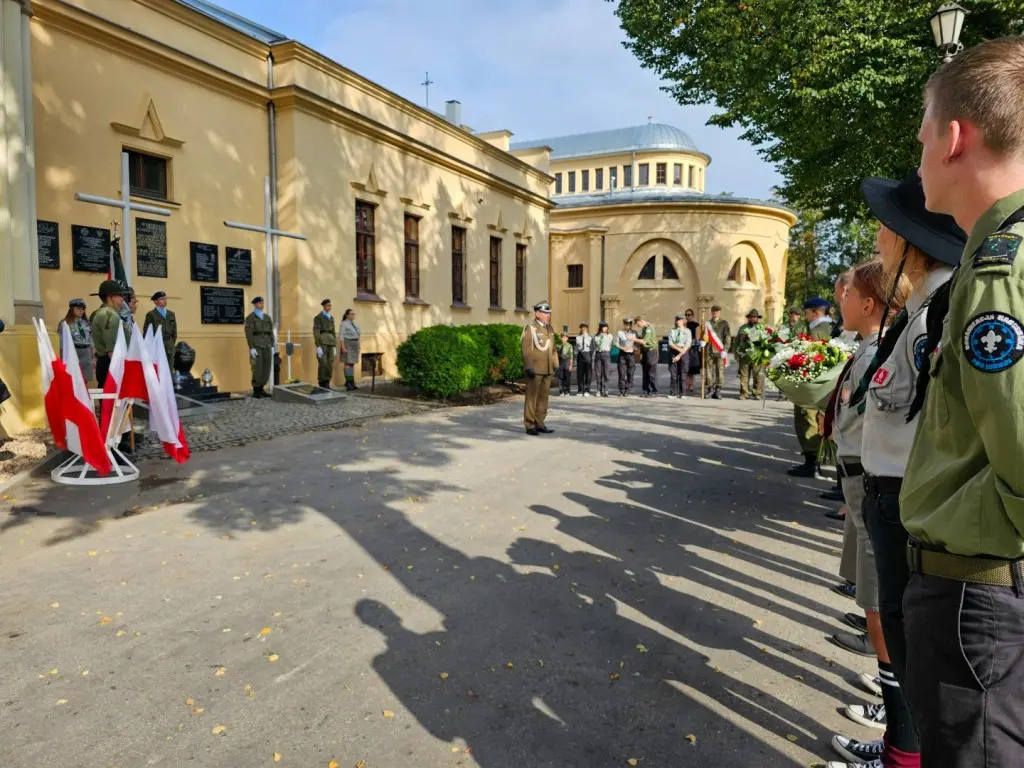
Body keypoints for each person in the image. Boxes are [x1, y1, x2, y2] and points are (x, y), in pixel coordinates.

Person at [898, 38, 1024, 768]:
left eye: (921, 141)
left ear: (954, 138)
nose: (917, 164)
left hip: (980, 598)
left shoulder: (1000, 270)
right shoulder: (992, 254)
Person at [825, 173, 966, 768]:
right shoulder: (917, 312)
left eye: (887, 230)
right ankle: (901, 749)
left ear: (912, 241)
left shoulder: (938, 311)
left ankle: (902, 753)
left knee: (917, 652)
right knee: (908, 651)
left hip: (907, 502)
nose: (879, 242)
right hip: (889, 497)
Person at [825, 260, 913, 768]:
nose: (841, 298)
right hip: (864, 478)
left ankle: (899, 736)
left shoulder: (892, 343)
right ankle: (895, 721)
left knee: (884, 606)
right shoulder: (872, 345)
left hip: (878, 483)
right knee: (876, 602)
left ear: (869, 303)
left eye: (848, 293)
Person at [786, 297, 833, 477]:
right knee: (813, 420)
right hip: (821, 385)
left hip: (811, 384)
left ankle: (812, 464)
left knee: (808, 420)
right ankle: (813, 462)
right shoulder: (827, 328)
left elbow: (810, 360)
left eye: (807, 313)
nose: (805, 317)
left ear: (816, 312)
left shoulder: (817, 332)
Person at [521, 301, 558, 435]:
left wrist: (556, 365)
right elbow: (526, 349)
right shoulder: (530, 328)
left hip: (547, 368)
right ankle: (529, 424)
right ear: (537, 313)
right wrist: (529, 366)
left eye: (548, 313)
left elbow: (553, 349)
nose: (548, 316)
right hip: (535, 369)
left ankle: (540, 422)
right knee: (532, 397)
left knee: (543, 397)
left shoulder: (550, 329)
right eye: (545, 313)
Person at [90, 280, 126, 388]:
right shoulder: (108, 315)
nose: (122, 299)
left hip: (111, 362)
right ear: (110, 297)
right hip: (111, 362)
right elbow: (111, 346)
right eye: (120, 295)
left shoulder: (111, 314)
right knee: (110, 398)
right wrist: (118, 368)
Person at [244, 296, 274, 398]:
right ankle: (256, 390)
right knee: (257, 367)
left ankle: (262, 388)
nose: (262, 305)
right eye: (260, 303)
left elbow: (271, 333)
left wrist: (272, 345)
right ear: (255, 304)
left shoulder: (267, 317)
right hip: (257, 345)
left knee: (267, 366)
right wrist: (251, 347)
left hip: (267, 344)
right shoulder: (250, 318)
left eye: (263, 303)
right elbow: (249, 334)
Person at [60, 298, 94, 383]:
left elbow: (91, 340)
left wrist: (93, 357)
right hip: (74, 352)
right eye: (78, 308)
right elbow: (62, 343)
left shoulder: (86, 323)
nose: (81, 311)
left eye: (83, 309)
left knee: (85, 379)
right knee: (73, 379)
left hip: (86, 352)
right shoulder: (65, 323)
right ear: (72, 309)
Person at [734, 308, 765, 400]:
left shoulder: (762, 328)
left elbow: (766, 341)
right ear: (748, 318)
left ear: (757, 318)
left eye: (754, 317)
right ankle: (744, 393)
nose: (752, 319)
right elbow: (736, 342)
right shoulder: (743, 328)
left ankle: (757, 393)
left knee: (758, 375)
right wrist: (736, 354)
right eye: (750, 317)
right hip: (744, 355)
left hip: (757, 356)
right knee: (744, 375)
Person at [143, 291, 177, 371]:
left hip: (169, 345)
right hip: (157, 345)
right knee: (158, 369)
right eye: (162, 299)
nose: (165, 301)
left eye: (165, 299)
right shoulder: (151, 315)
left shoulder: (171, 314)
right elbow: (147, 332)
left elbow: (174, 331)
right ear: (155, 301)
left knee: (169, 368)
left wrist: (171, 343)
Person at [705, 305, 731, 399]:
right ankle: (710, 389)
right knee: (708, 371)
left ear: (719, 312)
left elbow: (727, 337)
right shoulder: (707, 323)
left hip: (720, 351)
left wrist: (725, 350)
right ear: (711, 312)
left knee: (719, 371)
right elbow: (704, 335)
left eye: (717, 311)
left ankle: (718, 390)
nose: (715, 312)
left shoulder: (724, 323)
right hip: (709, 350)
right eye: (713, 311)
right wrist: (703, 341)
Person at [667, 313, 693, 399]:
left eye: (680, 320)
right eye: (677, 320)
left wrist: (680, 354)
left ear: (684, 321)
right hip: (674, 351)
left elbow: (688, 343)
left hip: (684, 352)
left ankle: (683, 393)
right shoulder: (672, 331)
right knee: (673, 374)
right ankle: (673, 392)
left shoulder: (687, 331)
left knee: (683, 374)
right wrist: (679, 351)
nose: (678, 322)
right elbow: (670, 343)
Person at [313, 299, 337, 389]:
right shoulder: (318, 317)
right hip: (322, 341)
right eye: (327, 305)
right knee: (323, 363)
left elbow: (333, 331)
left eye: (330, 305)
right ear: (323, 306)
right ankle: (322, 382)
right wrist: (318, 345)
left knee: (330, 363)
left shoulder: (331, 317)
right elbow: (316, 331)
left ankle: (327, 381)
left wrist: (334, 345)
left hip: (330, 342)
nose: (329, 307)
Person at [634, 315, 659, 396]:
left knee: (651, 373)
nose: (638, 326)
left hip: (651, 352)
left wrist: (633, 339)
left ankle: (654, 390)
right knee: (645, 373)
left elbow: (645, 341)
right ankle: (645, 390)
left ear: (641, 321)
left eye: (638, 324)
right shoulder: (644, 328)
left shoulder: (649, 328)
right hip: (645, 352)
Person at [615, 317, 636, 397]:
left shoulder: (634, 333)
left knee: (630, 373)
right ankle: (621, 390)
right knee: (621, 373)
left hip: (631, 355)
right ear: (624, 324)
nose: (628, 326)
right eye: (626, 324)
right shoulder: (620, 332)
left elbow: (637, 343)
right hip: (622, 355)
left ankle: (627, 390)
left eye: (629, 324)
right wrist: (622, 347)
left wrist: (634, 348)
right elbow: (616, 343)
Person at [340, 308, 360, 390]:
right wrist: (343, 347)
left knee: (352, 363)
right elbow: (341, 336)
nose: (353, 315)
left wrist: (359, 344)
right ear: (347, 315)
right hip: (348, 343)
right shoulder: (344, 324)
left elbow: (358, 335)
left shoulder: (355, 324)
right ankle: (348, 383)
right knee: (348, 363)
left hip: (355, 344)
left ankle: (351, 382)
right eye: (351, 314)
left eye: (354, 314)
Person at [592, 321, 614, 397]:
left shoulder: (610, 336)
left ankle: (606, 390)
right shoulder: (596, 336)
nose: (604, 328)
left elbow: (611, 345)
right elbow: (594, 346)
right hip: (598, 354)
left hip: (606, 354)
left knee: (606, 373)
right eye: (603, 327)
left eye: (606, 327)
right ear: (600, 328)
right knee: (598, 373)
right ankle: (598, 390)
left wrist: (607, 350)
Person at [683, 309, 701, 393]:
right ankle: (686, 384)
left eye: (689, 315)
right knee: (686, 368)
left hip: (693, 348)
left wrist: (691, 343)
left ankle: (692, 385)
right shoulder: (683, 324)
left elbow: (697, 338)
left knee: (692, 369)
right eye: (686, 315)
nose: (687, 316)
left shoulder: (696, 325)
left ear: (692, 315)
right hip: (684, 348)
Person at [574, 322, 594, 396]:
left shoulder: (590, 337)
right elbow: (576, 347)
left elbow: (592, 348)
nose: (584, 329)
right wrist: (575, 355)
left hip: (587, 354)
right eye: (582, 327)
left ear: (587, 328)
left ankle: (587, 390)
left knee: (588, 374)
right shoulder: (578, 337)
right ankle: (580, 390)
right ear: (581, 329)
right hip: (580, 355)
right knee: (580, 373)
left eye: (585, 327)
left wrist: (590, 356)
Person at [556, 332, 574, 396]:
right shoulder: (558, 345)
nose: (563, 339)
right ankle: (561, 390)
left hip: (567, 362)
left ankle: (567, 391)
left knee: (567, 377)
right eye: (562, 337)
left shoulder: (569, 345)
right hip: (560, 362)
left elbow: (571, 356)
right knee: (560, 377)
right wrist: (556, 364)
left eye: (565, 337)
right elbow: (556, 355)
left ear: (567, 338)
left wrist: (571, 365)